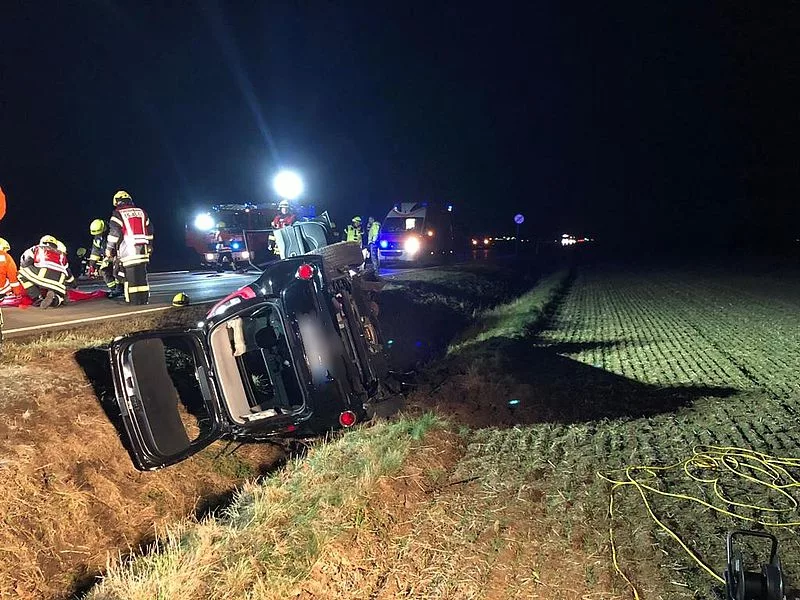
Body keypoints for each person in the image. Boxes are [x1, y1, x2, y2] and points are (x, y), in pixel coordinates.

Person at [105, 190, 153, 305]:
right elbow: (150, 230)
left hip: (128, 251)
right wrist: (150, 246)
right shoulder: (141, 212)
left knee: (130, 277)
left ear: (117, 202)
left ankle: (134, 301)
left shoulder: (117, 214)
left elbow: (114, 234)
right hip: (143, 250)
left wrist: (109, 249)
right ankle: (144, 299)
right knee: (141, 276)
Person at [17, 235, 76, 308]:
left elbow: (24, 263)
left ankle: (37, 299)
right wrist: (74, 285)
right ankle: (57, 299)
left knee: (21, 274)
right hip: (59, 283)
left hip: (43, 275)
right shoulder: (61, 255)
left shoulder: (35, 248)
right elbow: (68, 273)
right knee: (57, 285)